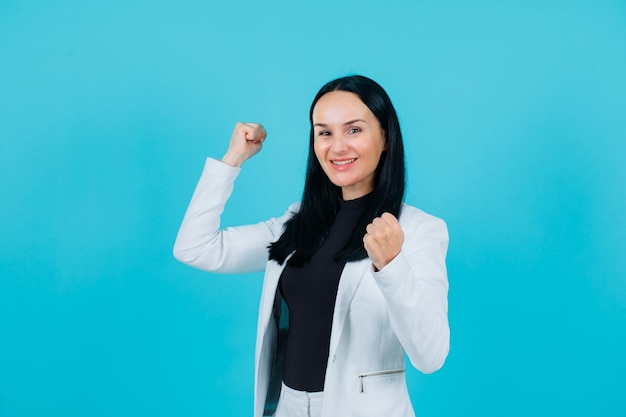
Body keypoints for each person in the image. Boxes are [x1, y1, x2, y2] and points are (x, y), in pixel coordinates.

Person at [173, 75, 450, 417]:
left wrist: (392, 266)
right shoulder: (297, 222)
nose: (337, 147)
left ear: (386, 138)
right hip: (286, 406)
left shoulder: (419, 230)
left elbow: (431, 356)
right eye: (324, 132)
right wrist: (232, 159)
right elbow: (195, 247)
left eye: (354, 130)